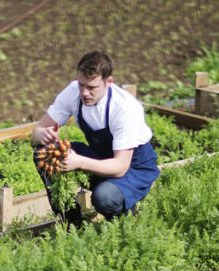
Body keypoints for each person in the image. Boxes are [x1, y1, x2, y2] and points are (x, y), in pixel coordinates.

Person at [31, 50, 160, 224]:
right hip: (100, 156)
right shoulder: (73, 92)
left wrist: (79, 162)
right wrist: (44, 134)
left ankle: (124, 221)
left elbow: (120, 167)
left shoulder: (124, 108)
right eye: (81, 85)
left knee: (105, 197)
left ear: (109, 82)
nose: (84, 92)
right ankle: (70, 223)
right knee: (46, 153)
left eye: (91, 88)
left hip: (132, 168)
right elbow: (37, 131)